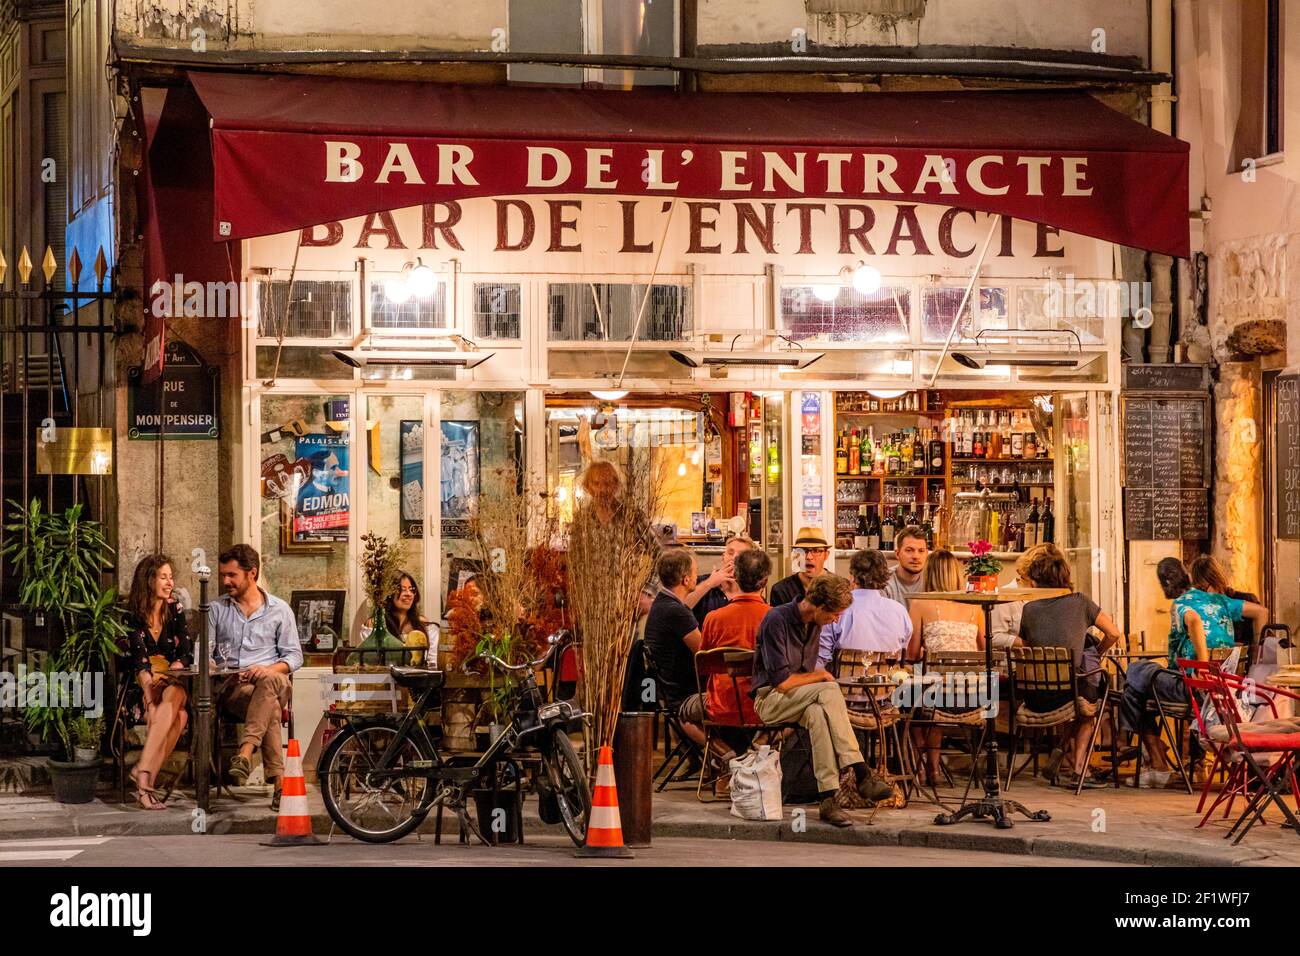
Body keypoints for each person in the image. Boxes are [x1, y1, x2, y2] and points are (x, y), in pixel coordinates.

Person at [752, 574, 893, 827]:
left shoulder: (815, 624)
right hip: (770, 700)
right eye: (835, 614)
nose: (836, 619)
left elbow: (804, 680)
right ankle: (861, 772)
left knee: (818, 714)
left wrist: (817, 678)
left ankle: (828, 799)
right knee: (828, 688)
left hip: (799, 700)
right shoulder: (777, 619)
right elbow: (781, 683)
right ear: (818, 606)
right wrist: (819, 676)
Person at [1120, 558, 1269, 786]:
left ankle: (1154, 761)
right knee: (1139, 682)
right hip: (1224, 689)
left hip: (1191, 687)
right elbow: (1262, 612)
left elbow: (1195, 622)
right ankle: (1158, 758)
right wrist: (1257, 652)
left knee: (1136, 672)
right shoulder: (1223, 602)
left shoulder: (1181, 604)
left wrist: (1202, 666)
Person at [1016, 544, 1123, 788]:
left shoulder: (1029, 609)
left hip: (1035, 697)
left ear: (1035, 578)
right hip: (1071, 693)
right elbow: (1114, 633)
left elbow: (1027, 645)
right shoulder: (1080, 602)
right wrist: (1097, 651)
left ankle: (1061, 747)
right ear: (1064, 574)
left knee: (1078, 693)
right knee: (1087, 704)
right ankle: (1078, 769)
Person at [208, 544, 304, 810]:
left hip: (273, 680)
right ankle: (280, 783)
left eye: (231, 575)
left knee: (271, 682)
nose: (225, 581)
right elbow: (204, 653)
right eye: (223, 575)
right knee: (271, 706)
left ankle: (245, 751)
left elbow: (295, 657)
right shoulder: (216, 609)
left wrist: (266, 670)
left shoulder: (280, 609)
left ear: (252, 573)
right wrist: (212, 665)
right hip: (236, 689)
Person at [679, 548, 773, 796]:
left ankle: (727, 759)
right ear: (764, 581)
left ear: (736, 577)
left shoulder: (713, 618)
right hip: (762, 707)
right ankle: (755, 751)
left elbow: (704, 661)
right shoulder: (774, 617)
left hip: (720, 705)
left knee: (684, 711)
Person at [906, 550, 985, 786]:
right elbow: (982, 652)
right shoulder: (976, 607)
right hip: (973, 697)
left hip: (938, 698)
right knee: (933, 693)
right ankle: (934, 768)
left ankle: (922, 766)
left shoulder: (920, 604)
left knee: (906, 701)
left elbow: (910, 655)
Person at [123, 554, 192, 810]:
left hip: (170, 681)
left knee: (176, 694)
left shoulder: (175, 610)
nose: (169, 582)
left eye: (171, 577)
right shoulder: (132, 616)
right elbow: (139, 662)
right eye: (163, 577)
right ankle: (146, 779)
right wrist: (150, 698)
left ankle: (143, 774)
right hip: (140, 686)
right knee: (181, 716)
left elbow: (185, 651)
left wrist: (175, 667)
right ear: (149, 580)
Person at [642, 548, 708, 750]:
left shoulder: (661, 605)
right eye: (695, 572)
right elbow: (703, 652)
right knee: (736, 701)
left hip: (665, 688)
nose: (697, 576)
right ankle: (730, 757)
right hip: (681, 696)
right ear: (686, 579)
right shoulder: (676, 611)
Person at [818, 549, 913, 669]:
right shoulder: (900, 612)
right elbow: (902, 653)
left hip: (843, 684)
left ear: (852, 577)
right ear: (885, 577)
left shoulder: (838, 610)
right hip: (887, 684)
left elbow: (822, 658)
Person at [988, 544, 1053, 650]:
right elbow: (993, 637)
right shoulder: (1005, 596)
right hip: (1013, 663)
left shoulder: (1048, 593)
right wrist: (1027, 643)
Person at [1188, 555, 1261, 650]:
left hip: (1244, 661)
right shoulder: (1197, 607)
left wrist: (1255, 649)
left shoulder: (1244, 600)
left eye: (1203, 589)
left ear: (1215, 581)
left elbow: (1261, 617)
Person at [685, 534, 754, 628]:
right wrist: (709, 583)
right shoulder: (701, 582)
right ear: (723, 557)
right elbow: (679, 609)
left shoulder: (753, 589)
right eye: (730, 553)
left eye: (742, 555)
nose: (734, 558)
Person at [769, 526, 831, 606]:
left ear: (826, 555)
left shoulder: (839, 588)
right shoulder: (781, 590)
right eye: (802, 551)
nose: (809, 557)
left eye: (816, 551)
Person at [883, 527, 929, 607]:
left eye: (921, 551)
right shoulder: (884, 581)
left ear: (926, 553)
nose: (916, 556)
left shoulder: (931, 579)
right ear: (897, 554)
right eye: (909, 550)